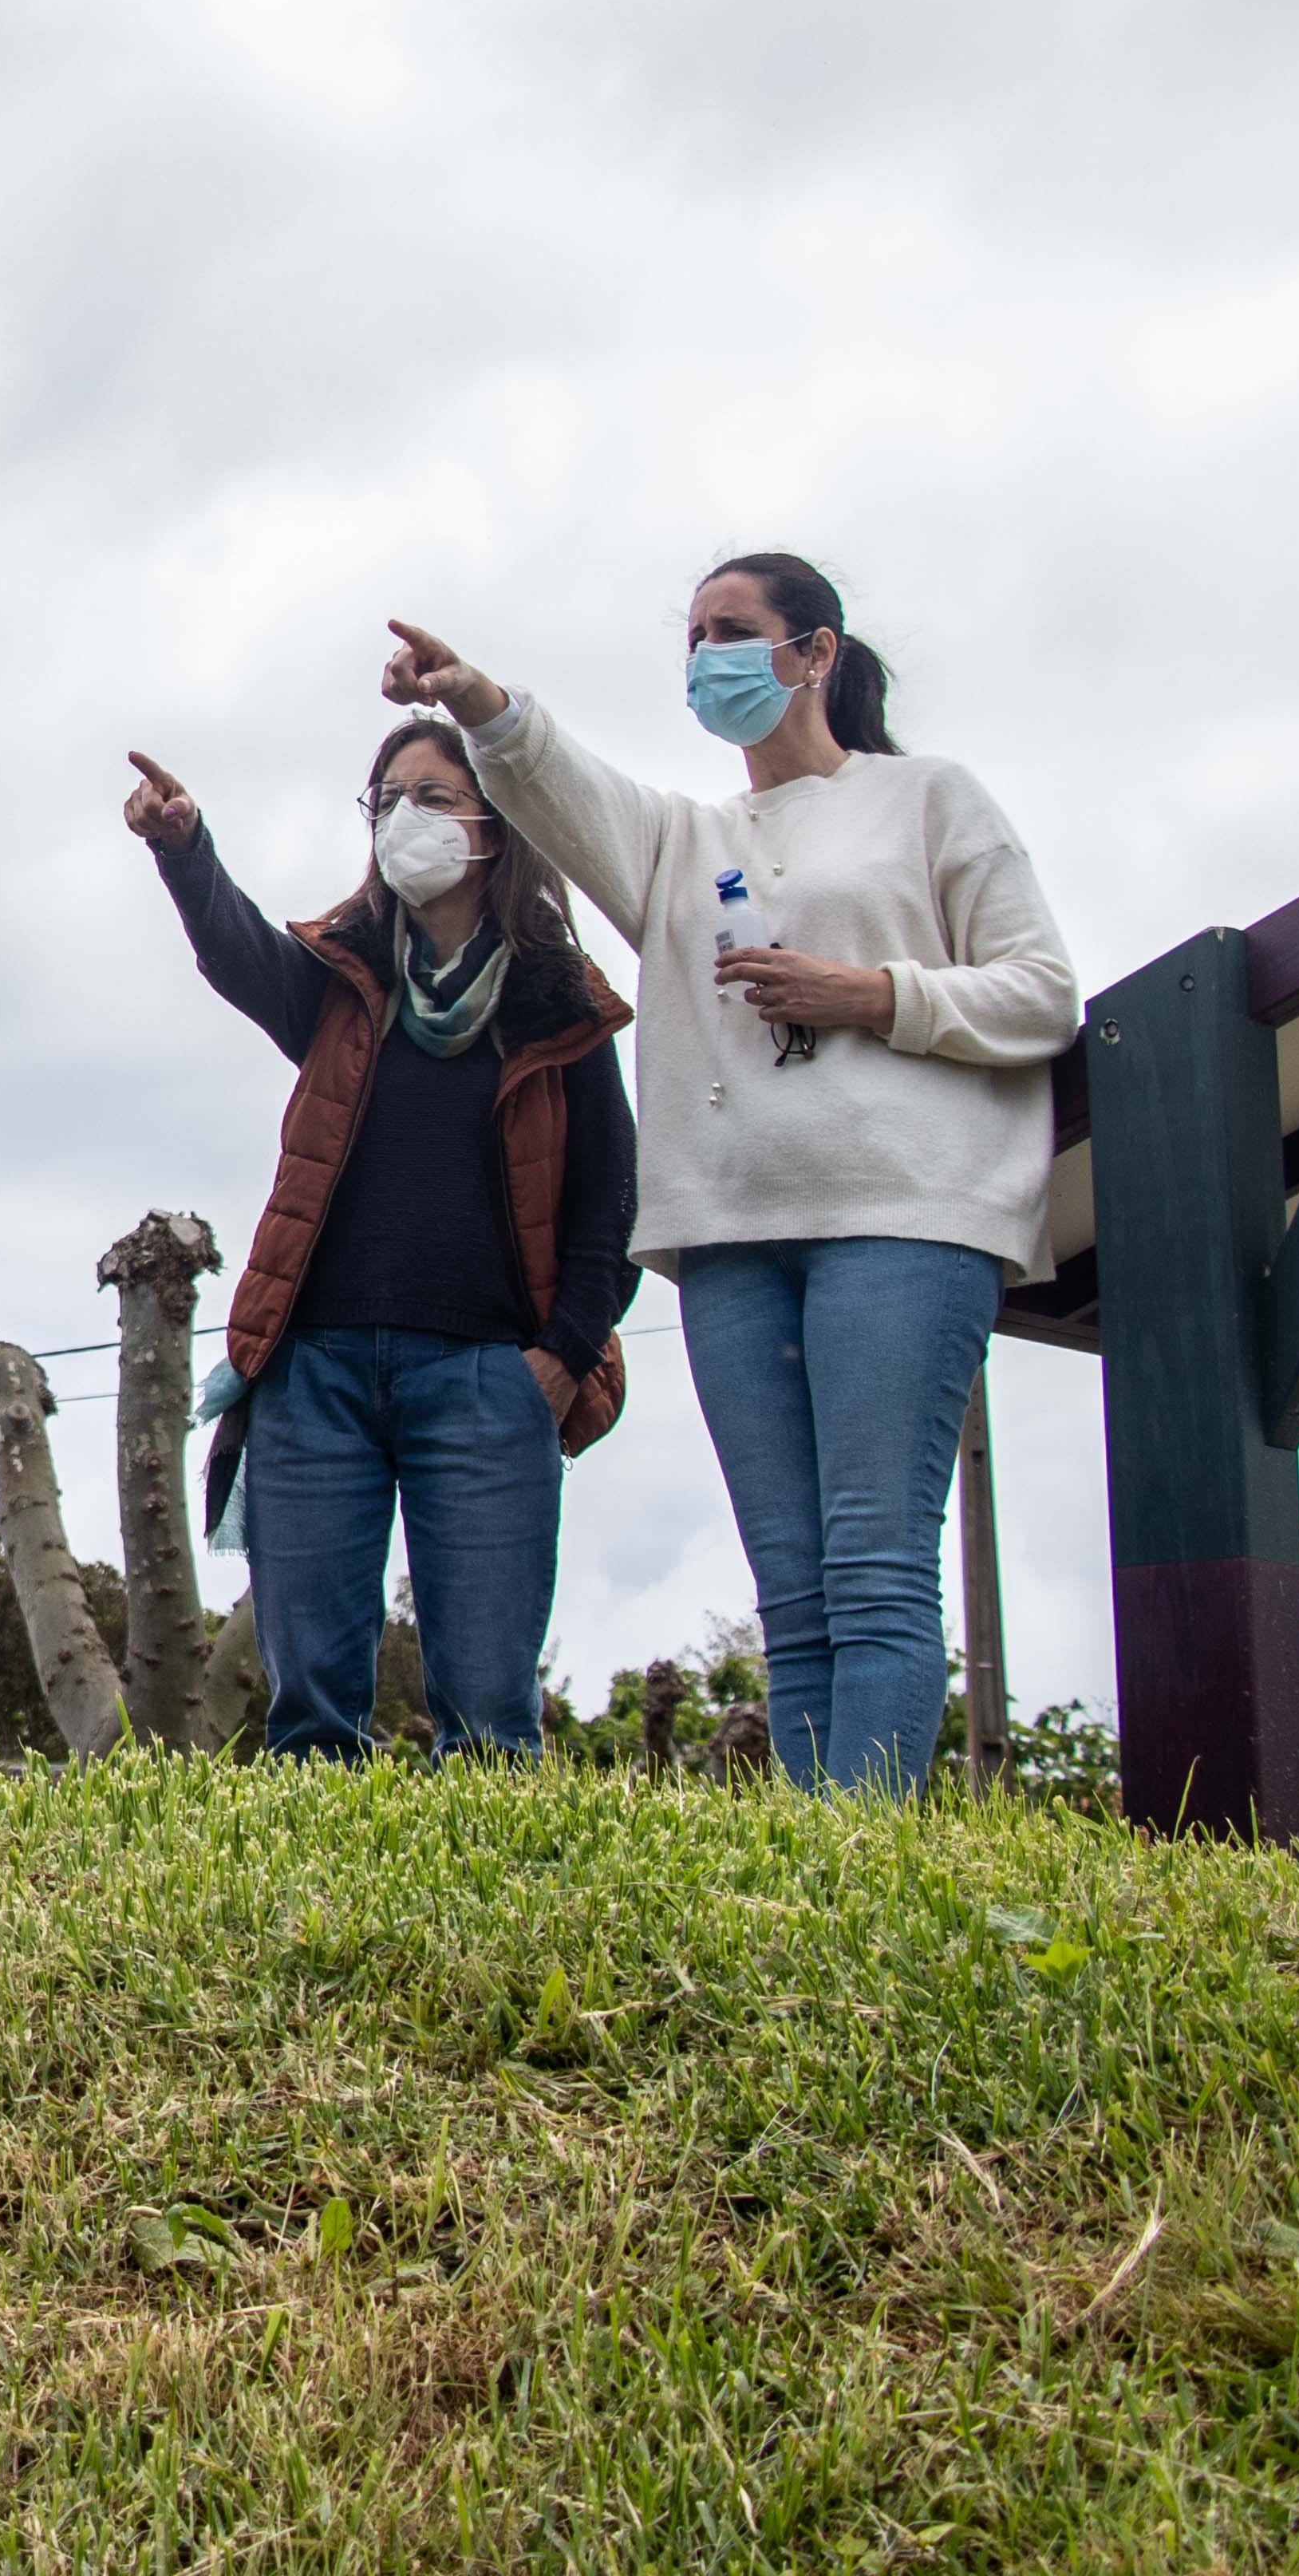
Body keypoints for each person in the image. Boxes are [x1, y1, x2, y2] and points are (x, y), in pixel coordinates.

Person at [388, 556, 1078, 1792]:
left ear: (815, 653)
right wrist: (475, 697)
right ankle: (817, 1855)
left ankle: (869, 1854)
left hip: (903, 1219)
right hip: (730, 1238)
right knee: (794, 1594)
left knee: (875, 1569)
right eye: (695, 636)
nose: (708, 655)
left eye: (735, 630)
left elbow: (1041, 996)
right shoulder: (682, 842)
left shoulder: (928, 800)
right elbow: (553, 778)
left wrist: (868, 995)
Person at [121, 730, 634, 1760]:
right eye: (387, 798)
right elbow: (239, 953)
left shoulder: (560, 1000)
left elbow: (613, 1205)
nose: (405, 818)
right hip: (315, 1373)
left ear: (495, 824)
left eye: (433, 796)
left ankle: (491, 1866)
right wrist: (185, 849)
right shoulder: (341, 979)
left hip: (490, 1380)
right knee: (310, 1710)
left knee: (488, 1716)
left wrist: (559, 1358)